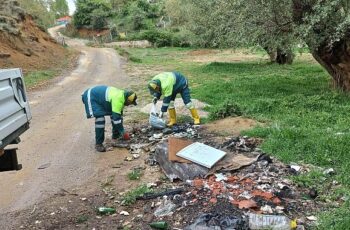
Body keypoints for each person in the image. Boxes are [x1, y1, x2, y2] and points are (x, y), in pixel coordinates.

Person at [82, 85, 137, 152]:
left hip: (101, 99)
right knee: (100, 119)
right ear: (128, 100)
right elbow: (116, 119)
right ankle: (98, 144)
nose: (129, 105)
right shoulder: (118, 99)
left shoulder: (122, 97)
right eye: (130, 103)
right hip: (91, 96)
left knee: (115, 115)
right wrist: (123, 132)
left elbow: (118, 117)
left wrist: (119, 133)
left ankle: (115, 136)